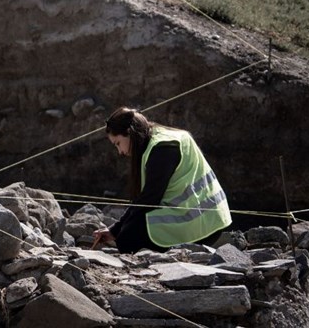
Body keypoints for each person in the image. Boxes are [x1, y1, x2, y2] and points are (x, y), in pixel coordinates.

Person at [92, 107, 231, 253]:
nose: (120, 152)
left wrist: (120, 231)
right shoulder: (159, 139)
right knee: (127, 233)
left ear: (129, 132)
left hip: (202, 222)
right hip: (212, 217)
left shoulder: (162, 149)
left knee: (128, 239)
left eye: (118, 143)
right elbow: (144, 199)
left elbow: (149, 199)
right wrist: (114, 230)